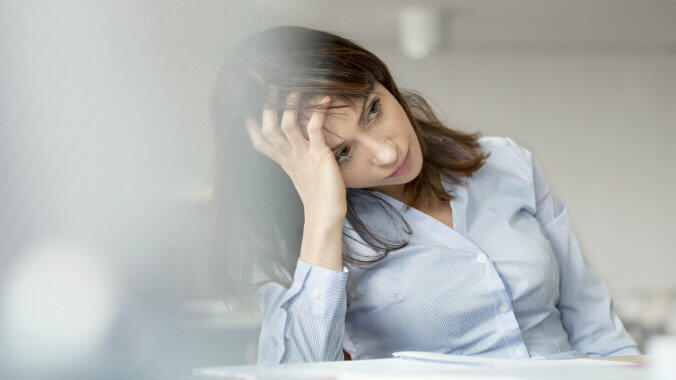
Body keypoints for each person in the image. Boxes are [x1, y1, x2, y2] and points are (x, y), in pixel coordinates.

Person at [208, 25, 640, 365]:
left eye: (373, 110)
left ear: (383, 82)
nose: (387, 151)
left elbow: (598, 330)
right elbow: (299, 373)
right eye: (341, 152)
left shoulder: (507, 162)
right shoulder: (302, 243)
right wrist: (323, 216)